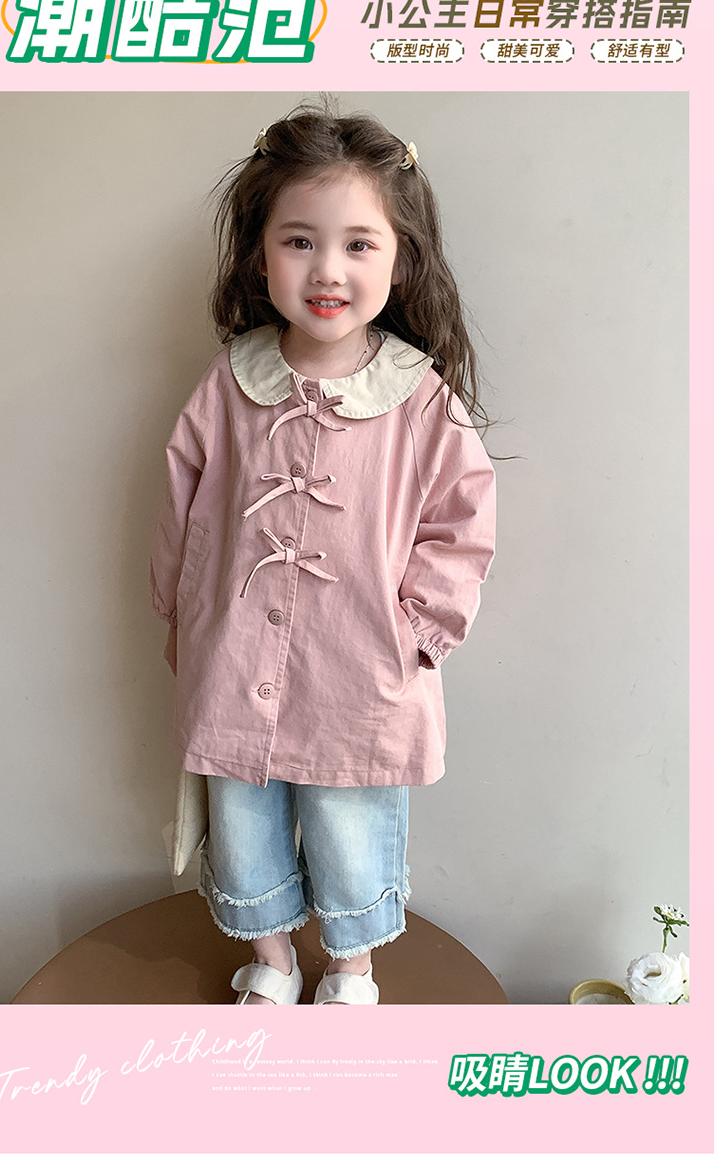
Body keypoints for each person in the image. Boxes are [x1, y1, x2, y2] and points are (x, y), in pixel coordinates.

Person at [150, 105, 496, 1005]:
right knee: (243, 817)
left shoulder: (419, 400)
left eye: (358, 244)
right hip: (234, 658)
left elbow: (462, 523)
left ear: (401, 259)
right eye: (299, 240)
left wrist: (416, 633)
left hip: (363, 670)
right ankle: (271, 961)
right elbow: (181, 504)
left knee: (351, 824)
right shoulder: (231, 382)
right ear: (260, 255)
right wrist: (183, 614)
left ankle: (351, 970)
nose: (328, 269)